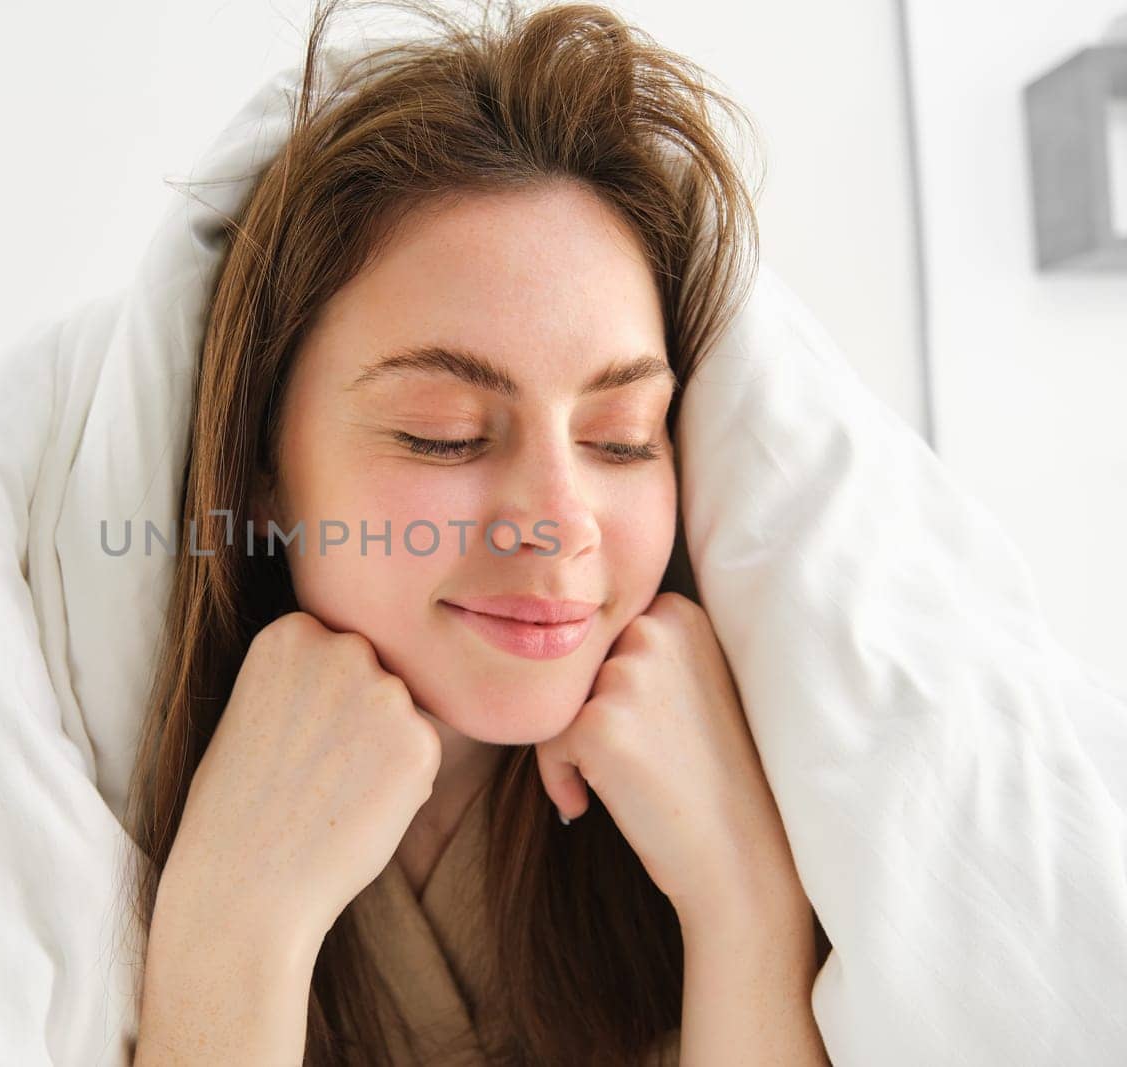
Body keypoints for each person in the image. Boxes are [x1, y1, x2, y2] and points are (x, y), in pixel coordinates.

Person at [126, 1, 830, 1063]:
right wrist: (230, 934)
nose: (557, 524)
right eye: (443, 435)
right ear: (262, 471)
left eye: (623, 436)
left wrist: (743, 906)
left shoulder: (785, 791)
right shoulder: (91, 797)